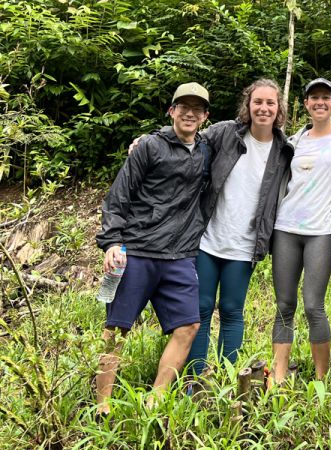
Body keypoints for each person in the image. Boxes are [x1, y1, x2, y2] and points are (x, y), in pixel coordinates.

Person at [95, 82, 211, 414]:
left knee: (189, 326)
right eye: (182, 107)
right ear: (171, 111)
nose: (189, 113)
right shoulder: (149, 147)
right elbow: (118, 197)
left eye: (197, 109)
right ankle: (102, 406)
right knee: (116, 328)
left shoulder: (206, 149)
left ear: (205, 116)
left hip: (180, 255)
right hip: (138, 251)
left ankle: (155, 399)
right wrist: (112, 242)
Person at [188, 78, 293, 375]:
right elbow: (188, 136)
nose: (263, 108)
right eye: (257, 102)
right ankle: (195, 377)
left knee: (232, 310)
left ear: (279, 108)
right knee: (201, 308)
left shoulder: (285, 149)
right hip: (208, 240)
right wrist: (147, 140)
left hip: (245, 245)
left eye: (270, 103)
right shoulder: (225, 133)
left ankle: (227, 378)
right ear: (248, 105)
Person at [271, 78, 331, 384]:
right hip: (285, 228)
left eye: (326, 97)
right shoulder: (292, 142)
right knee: (285, 303)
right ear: (306, 104)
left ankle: (322, 379)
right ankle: (279, 374)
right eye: (314, 98)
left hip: (321, 230)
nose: (320, 102)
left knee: (314, 305)